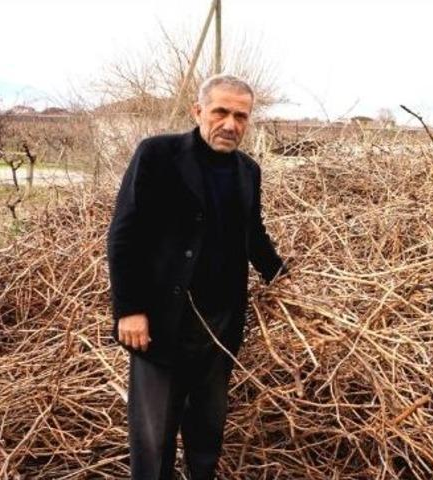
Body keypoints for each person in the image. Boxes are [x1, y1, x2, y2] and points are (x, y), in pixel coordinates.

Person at [107, 74, 288, 479]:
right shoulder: (158, 154)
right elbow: (124, 234)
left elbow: (253, 234)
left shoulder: (248, 170)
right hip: (161, 324)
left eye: (241, 116)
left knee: (207, 436)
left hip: (219, 328)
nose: (230, 124)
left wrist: (282, 276)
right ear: (198, 111)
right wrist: (129, 310)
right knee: (153, 443)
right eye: (221, 112)